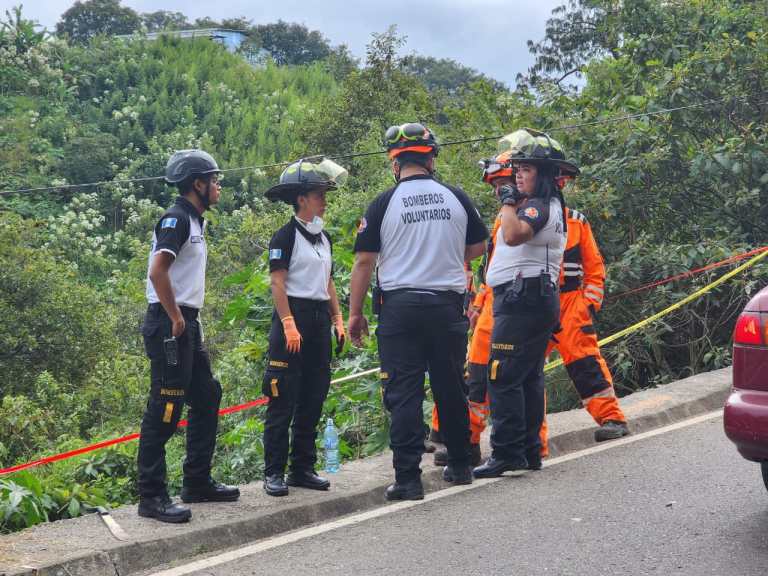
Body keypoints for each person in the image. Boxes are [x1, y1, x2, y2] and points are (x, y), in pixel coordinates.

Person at [348, 122, 488, 500]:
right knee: (451, 387)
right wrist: (445, 256)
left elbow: (364, 262)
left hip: (400, 310)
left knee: (404, 393)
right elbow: (479, 246)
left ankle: (408, 480)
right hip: (446, 308)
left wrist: (355, 314)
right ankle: (460, 465)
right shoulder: (455, 197)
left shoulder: (382, 204)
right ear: (431, 159)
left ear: (395, 164)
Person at [138, 150, 240, 523]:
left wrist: (187, 320)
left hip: (185, 323)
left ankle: (196, 482)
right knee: (165, 408)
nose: (217, 186)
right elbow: (157, 271)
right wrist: (176, 316)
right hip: (170, 323)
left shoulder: (195, 221)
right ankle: (151, 496)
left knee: (207, 394)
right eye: (213, 180)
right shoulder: (177, 218)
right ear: (197, 184)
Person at [473, 129, 572, 478]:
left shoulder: (537, 205)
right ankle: (529, 451)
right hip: (531, 298)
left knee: (500, 376)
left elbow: (513, 236)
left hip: (523, 299)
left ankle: (506, 453)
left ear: (543, 175)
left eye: (526, 169)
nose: (518, 174)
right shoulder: (549, 205)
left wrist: (507, 199)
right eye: (517, 168)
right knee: (527, 377)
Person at [261, 158, 347, 497]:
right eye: (318, 194)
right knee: (283, 398)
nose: (324, 200)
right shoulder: (285, 236)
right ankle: (273, 472)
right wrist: (287, 323)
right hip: (292, 317)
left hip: (317, 319)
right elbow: (278, 284)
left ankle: (302, 468)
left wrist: (337, 318)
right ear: (301, 199)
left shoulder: (323, 238)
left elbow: (327, 283)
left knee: (314, 396)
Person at [430, 151, 515, 467]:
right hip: (490, 306)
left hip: (520, 307)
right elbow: (490, 272)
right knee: (475, 377)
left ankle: (525, 445)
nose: (498, 191)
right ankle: (467, 444)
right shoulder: (499, 220)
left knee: (514, 378)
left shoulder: (537, 214)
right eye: (495, 185)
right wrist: (477, 305)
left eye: (502, 183)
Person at [539, 201, 629, 449]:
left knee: (585, 361)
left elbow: (595, 266)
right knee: (525, 372)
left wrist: (588, 304)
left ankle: (612, 419)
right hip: (533, 303)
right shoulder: (520, 218)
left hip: (570, 303)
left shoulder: (576, 221)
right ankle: (532, 440)